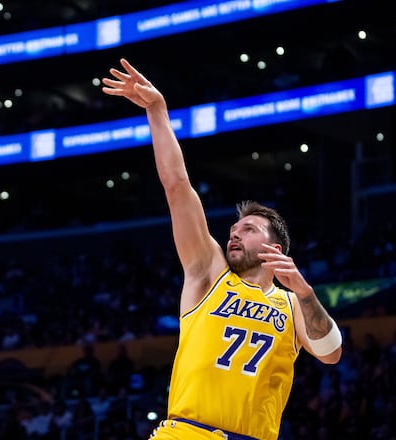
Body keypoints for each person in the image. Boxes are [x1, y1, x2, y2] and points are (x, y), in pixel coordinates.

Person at [102, 58, 343, 440]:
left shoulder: (293, 304)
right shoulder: (208, 272)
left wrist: (306, 292)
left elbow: (331, 353)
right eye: (233, 229)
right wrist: (157, 111)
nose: (234, 235)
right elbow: (178, 186)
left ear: (274, 246)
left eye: (247, 229)